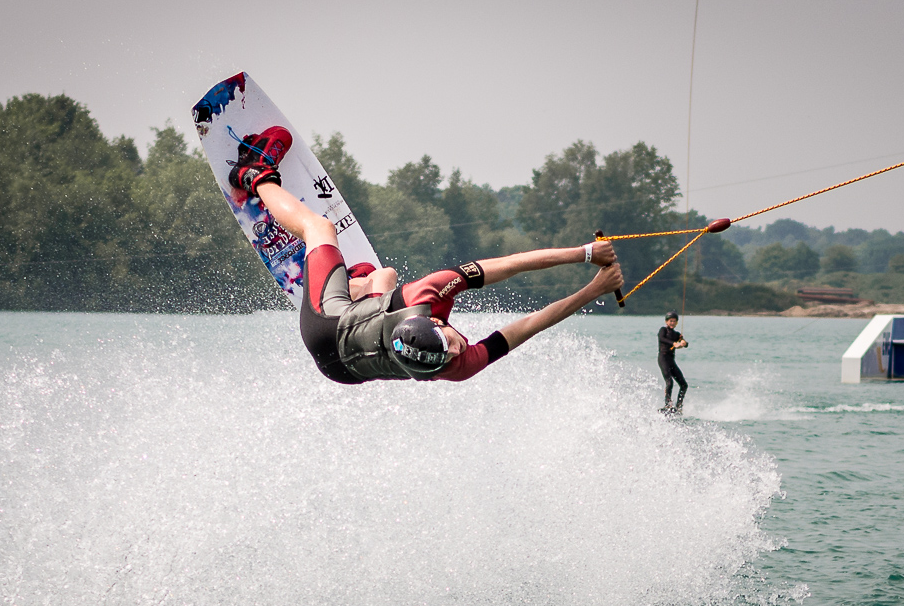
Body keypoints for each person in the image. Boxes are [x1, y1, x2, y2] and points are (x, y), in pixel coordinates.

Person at [228, 127, 624, 384]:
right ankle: (363, 285)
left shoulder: (428, 302)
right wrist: (591, 281)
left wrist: (587, 255)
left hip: (325, 327)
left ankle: (254, 175)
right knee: (384, 275)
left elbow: (507, 268)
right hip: (346, 372)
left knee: (320, 229)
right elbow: (528, 325)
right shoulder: (454, 363)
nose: (458, 346)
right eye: (452, 348)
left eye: (450, 345)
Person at [657, 311, 688, 413]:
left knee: (684, 385)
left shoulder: (677, 334)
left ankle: (679, 406)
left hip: (671, 360)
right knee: (669, 382)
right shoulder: (663, 330)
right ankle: (667, 405)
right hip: (663, 358)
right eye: (670, 321)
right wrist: (674, 343)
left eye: (674, 321)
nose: (672, 323)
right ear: (666, 321)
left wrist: (684, 343)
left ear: (677, 323)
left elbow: (684, 343)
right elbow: (662, 339)